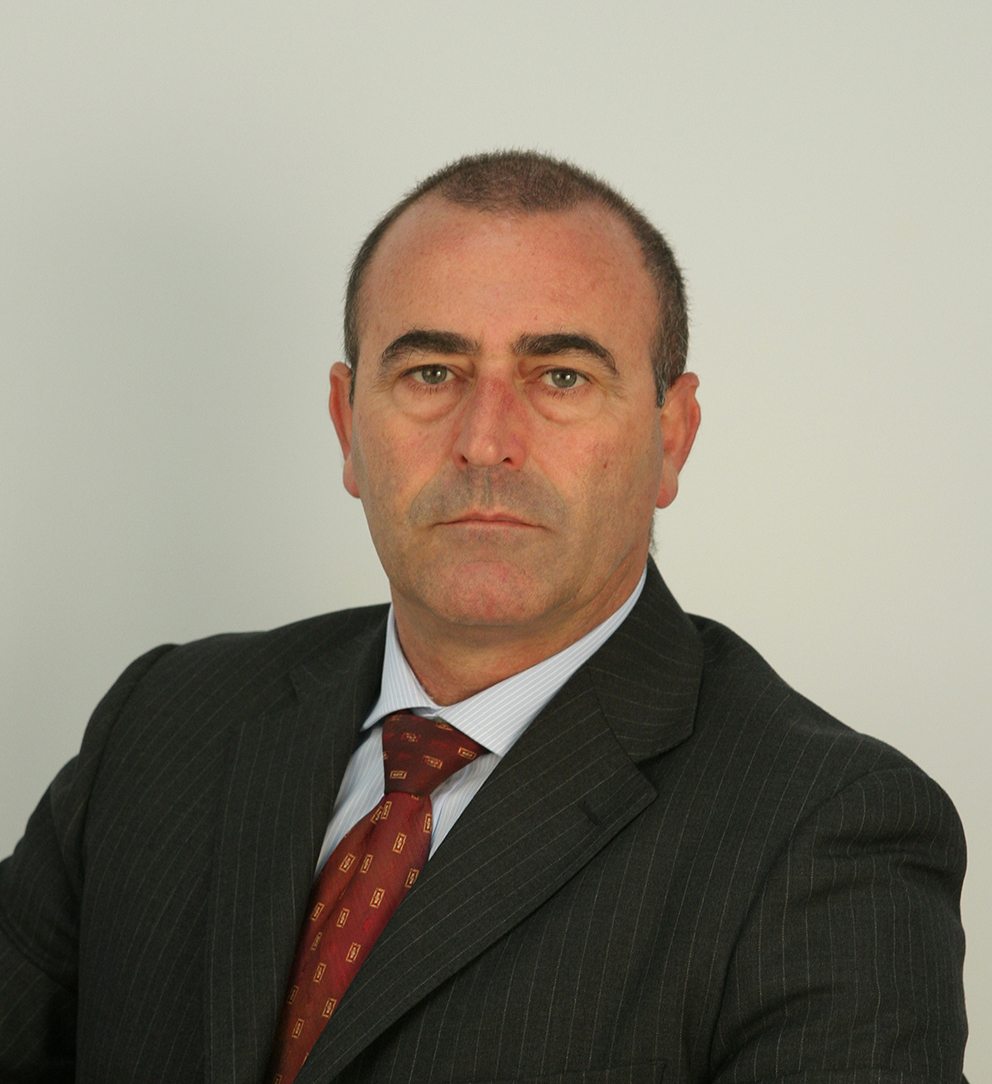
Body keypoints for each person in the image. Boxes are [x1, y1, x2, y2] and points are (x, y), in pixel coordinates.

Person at [0, 151, 968, 1083]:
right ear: (347, 426)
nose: (485, 441)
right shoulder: (163, 721)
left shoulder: (825, 832)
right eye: (431, 372)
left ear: (670, 438)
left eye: (560, 377)